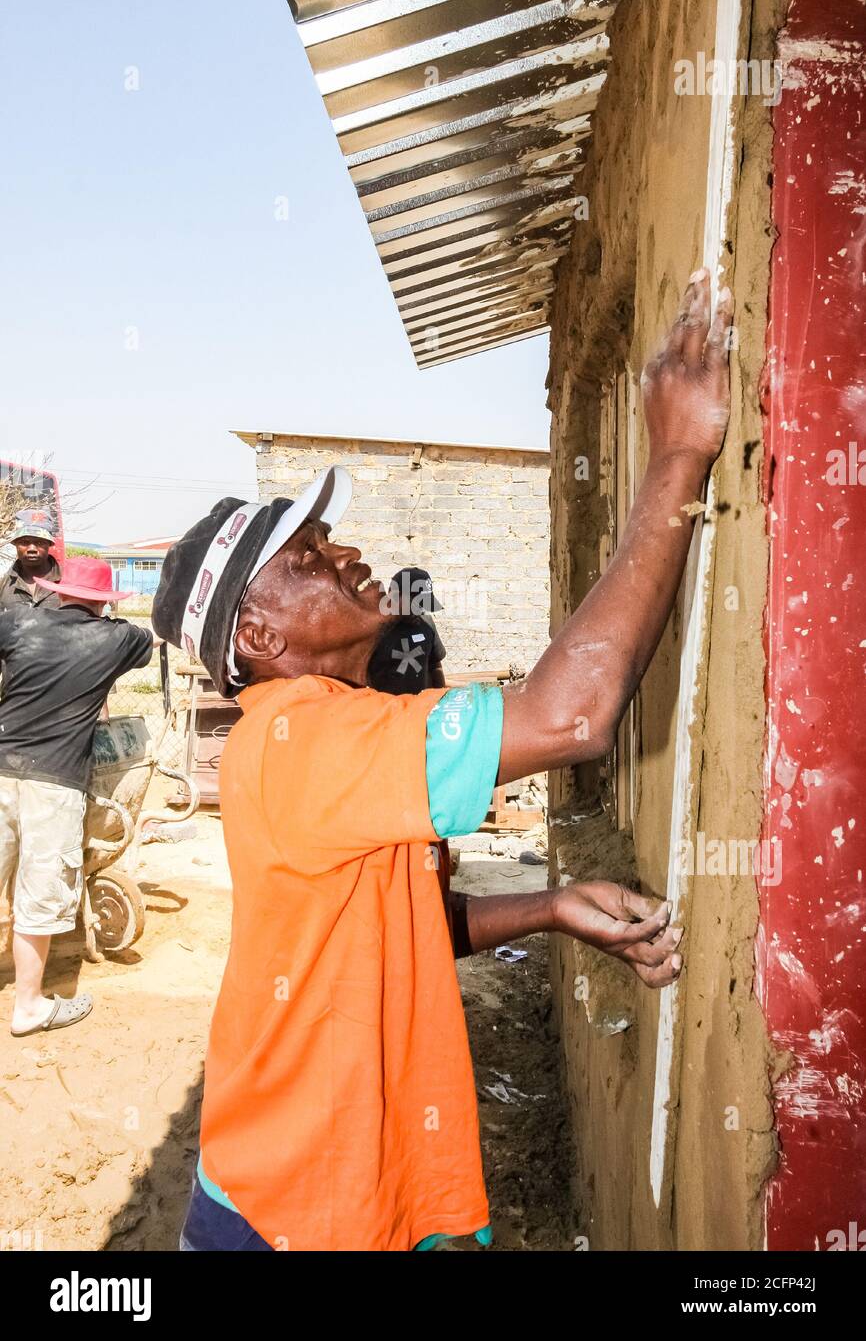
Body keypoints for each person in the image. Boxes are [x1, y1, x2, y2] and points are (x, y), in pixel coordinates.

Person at [154, 270, 732, 1252]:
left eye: (330, 542)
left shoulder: (334, 728)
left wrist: (549, 908)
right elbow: (571, 713)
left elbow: (401, 926)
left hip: (354, 1197)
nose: (345, 560)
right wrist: (674, 457)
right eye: (307, 563)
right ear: (256, 634)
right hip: (300, 1217)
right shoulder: (301, 737)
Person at [0, 557, 156, 1035]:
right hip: (56, 782)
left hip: (0, 766)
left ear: (57, 591)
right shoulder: (116, 638)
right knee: (40, 893)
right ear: (104, 602)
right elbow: (147, 641)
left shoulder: (17, 621)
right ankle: (28, 1007)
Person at [368, 566, 447, 693]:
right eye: (417, 604)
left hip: (420, 706)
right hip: (386, 708)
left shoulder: (427, 622)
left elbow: (435, 665)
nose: (421, 610)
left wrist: (440, 694)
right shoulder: (373, 630)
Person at [0, 511, 62, 609]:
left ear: (49, 544)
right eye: (24, 542)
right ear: (15, 544)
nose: (32, 549)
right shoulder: (3, 584)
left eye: (40, 542)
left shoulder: (67, 582)